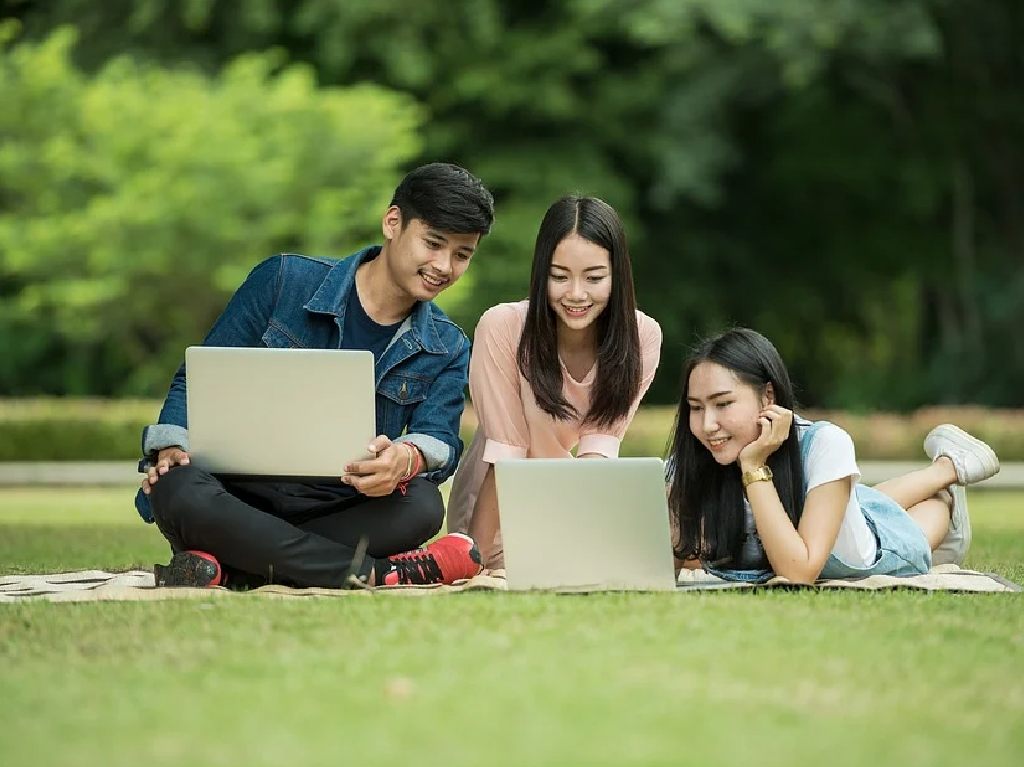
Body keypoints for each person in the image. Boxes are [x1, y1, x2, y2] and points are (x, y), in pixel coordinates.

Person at [137, 162, 494, 589]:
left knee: (421, 506)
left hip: (341, 503)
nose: (444, 265)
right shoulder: (283, 280)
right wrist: (172, 446)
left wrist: (407, 458)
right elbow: (195, 379)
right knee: (176, 487)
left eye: (461, 255)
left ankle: (231, 565)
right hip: (233, 493)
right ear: (392, 222)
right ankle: (378, 574)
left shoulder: (448, 345)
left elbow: (439, 438)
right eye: (433, 244)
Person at [667, 327, 1001, 584]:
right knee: (858, 501)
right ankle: (946, 466)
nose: (708, 424)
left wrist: (753, 466)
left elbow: (798, 573)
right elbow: (665, 565)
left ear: (768, 397)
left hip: (876, 547)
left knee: (925, 512)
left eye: (723, 404)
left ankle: (946, 479)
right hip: (844, 507)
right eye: (696, 408)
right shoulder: (695, 459)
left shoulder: (825, 443)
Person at [447, 196, 663, 569]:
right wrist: (473, 565)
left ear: (618, 275)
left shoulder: (642, 336)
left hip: (572, 495)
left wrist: (583, 539)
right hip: (494, 505)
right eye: (559, 276)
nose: (576, 294)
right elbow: (505, 459)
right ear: (540, 272)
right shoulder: (503, 327)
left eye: (594, 278)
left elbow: (598, 454)